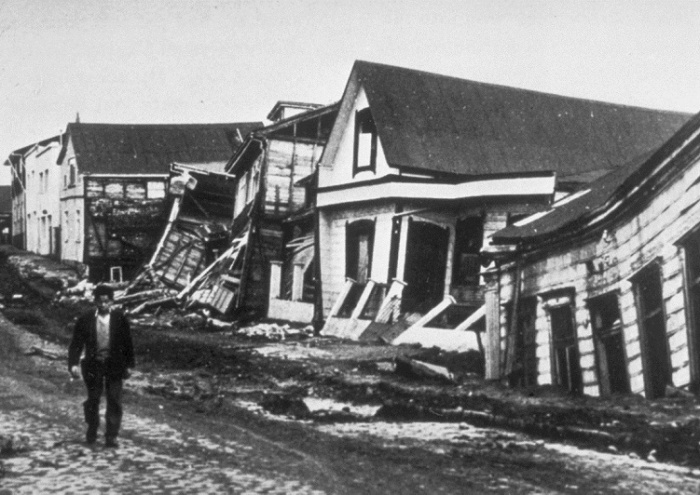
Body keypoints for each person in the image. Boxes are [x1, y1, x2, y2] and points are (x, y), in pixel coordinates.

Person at [68, 284, 134, 448]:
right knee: (93, 398)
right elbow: (76, 343)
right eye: (100, 301)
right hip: (93, 364)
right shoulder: (86, 318)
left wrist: (129, 365)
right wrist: (73, 364)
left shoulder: (119, 318)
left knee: (114, 399)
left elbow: (128, 343)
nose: (103, 305)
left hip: (114, 365)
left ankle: (111, 435)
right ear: (95, 301)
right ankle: (92, 427)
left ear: (112, 302)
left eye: (106, 301)